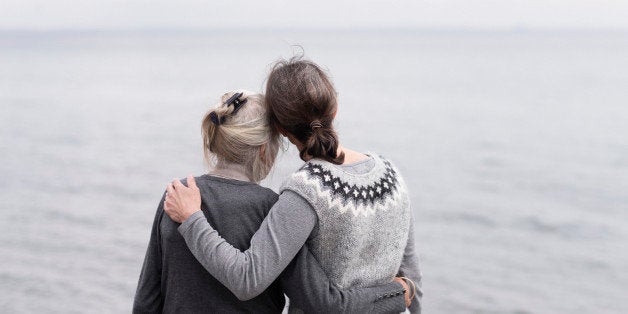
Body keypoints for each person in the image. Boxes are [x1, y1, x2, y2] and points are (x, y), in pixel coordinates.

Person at [164, 59, 422, 313]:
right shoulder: (391, 174)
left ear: (279, 129)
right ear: (335, 109)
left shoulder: (306, 191)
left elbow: (248, 279)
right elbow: (412, 279)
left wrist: (192, 219)